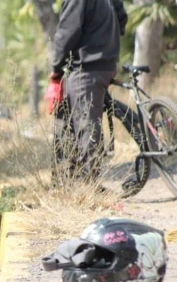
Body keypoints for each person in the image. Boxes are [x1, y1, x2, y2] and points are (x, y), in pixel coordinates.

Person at [49, 0, 128, 183]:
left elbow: (67, 33)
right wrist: (107, 39)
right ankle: (68, 181)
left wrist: (56, 67)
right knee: (70, 120)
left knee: (87, 127)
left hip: (87, 67)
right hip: (106, 63)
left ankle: (88, 186)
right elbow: (122, 19)